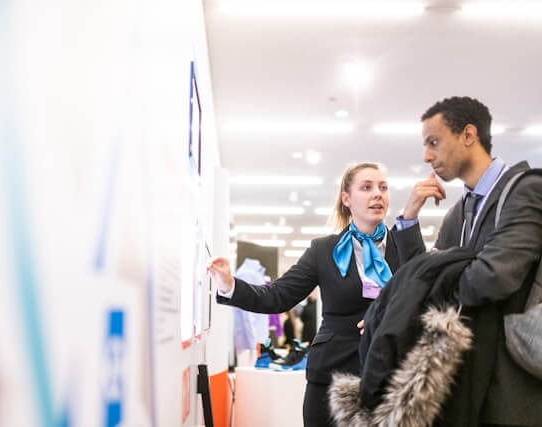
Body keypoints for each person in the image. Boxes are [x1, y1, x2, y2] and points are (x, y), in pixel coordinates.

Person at [208, 162, 403, 427]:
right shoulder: (324, 250)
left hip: (388, 376)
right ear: (346, 198)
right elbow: (278, 296)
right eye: (366, 187)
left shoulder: (404, 248)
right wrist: (229, 284)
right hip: (331, 376)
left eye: (383, 187)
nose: (377, 194)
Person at [393, 96, 542, 425]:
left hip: (514, 393)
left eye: (433, 142)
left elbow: (492, 279)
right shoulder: (457, 216)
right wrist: (408, 219)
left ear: (468, 135)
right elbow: (422, 279)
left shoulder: (525, 191)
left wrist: (432, 288)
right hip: (468, 389)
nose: (426, 156)